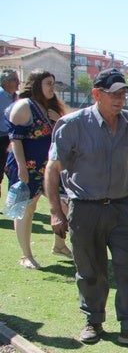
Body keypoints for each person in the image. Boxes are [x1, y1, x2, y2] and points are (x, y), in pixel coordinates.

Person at [44, 68, 128, 347]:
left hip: (122, 208)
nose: (120, 99)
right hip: (85, 209)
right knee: (90, 269)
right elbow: (52, 169)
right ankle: (93, 321)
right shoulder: (73, 125)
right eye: (114, 94)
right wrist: (56, 211)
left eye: (123, 94)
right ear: (97, 94)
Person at [5, 70, 72, 268]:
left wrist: (56, 119)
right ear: (36, 85)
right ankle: (27, 255)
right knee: (26, 208)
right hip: (28, 165)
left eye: (53, 83)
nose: (53, 88)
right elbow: (15, 140)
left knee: (64, 203)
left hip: (49, 167)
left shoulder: (49, 108)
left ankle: (59, 245)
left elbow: (58, 137)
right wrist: (21, 167)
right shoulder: (24, 106)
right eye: (48, 83)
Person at [0, 70, 20, 192]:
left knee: (12, 169)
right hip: (1, 137)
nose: (18, 82)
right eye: (15, 79)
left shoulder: (15, 97)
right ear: (5, 82)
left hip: (11, 138)